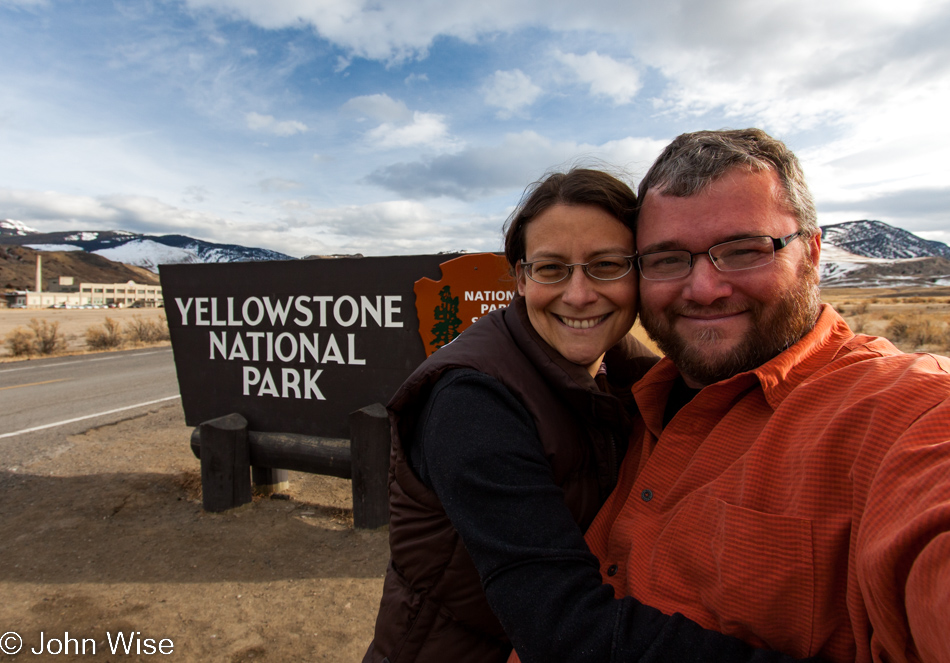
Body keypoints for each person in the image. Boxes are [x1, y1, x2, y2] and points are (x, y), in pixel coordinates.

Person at [364, 167, 826, 663]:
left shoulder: (631, 373)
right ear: (520, 278)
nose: (579, 294)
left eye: (607, 266)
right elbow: (561, 625)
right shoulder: (471, 401)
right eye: (551, 269)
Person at [577, 128, 950, 663]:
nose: (704, 288)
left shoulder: (903, 409)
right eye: (666, 259)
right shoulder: (630, 399)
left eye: (744, 250)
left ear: (812, 252)